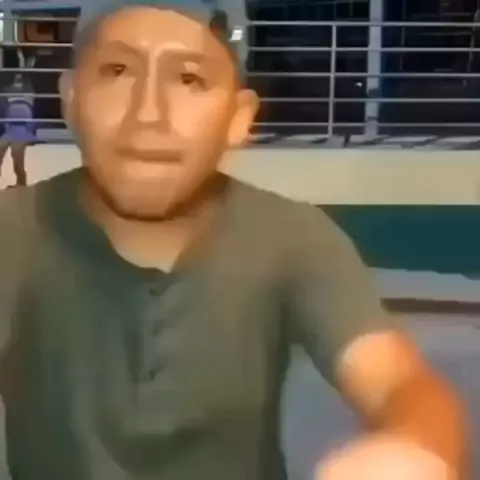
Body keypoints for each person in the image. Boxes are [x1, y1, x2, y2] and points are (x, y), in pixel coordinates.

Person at [0, 1, 467, 479]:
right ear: (71, 97)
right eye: (117, 71)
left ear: (239, 117)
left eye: (189, 79)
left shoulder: (290, 236)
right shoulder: (14, 230)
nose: (149, 113)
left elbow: (395, 380)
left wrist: (413, 448)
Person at [0, 72, 36, 187]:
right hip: (9, 127)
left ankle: (21, 184)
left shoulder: (27, 86)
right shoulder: (5, 88)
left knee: (17, 157)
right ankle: (20, 183)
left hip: (22, 128)